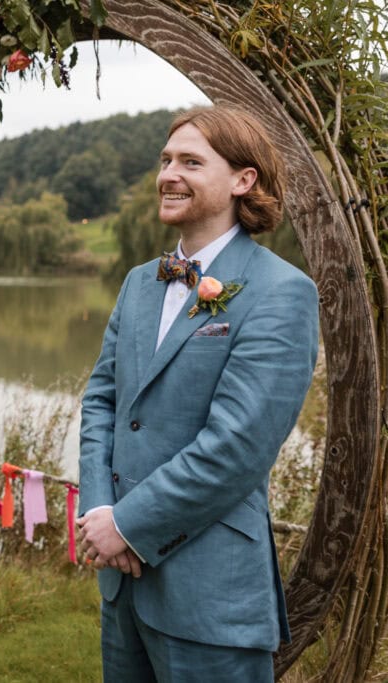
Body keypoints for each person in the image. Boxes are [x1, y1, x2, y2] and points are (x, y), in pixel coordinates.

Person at [76, 105, 319, 682]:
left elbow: (236, 447)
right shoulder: (140, 281)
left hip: (210, 592)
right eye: (165, 161)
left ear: (243, 180)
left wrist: (129, 525)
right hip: (121, 584)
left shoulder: (282, 292)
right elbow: (102, 402)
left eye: (190, 161)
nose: (168, 174)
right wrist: (98, 515)